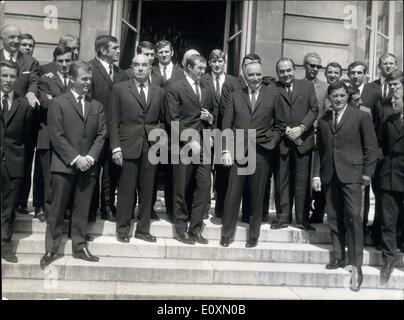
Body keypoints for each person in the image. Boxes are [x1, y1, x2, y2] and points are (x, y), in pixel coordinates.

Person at [312, 80, 378, 291]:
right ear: (329, 98)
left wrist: (367, 175)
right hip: (330, 176)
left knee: (354, 217)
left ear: (347, 96)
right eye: (334, 96)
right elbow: (319, 150)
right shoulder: (323, 120)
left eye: (341, 95)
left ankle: (356, 266)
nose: (338, 99)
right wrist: (317, 175)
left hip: (353, 175)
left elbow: (371, 149)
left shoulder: (361, 116)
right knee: (333, 218)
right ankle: (339, 256)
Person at [40, 61, 107, 270]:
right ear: (72, 79)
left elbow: (101, 134)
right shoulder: (59, 103)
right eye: (83, 79)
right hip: (64, 166)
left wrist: (91, 158)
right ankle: (52, 248)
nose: (87, 83)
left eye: (89, 79)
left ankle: (80, 247)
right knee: (57, 209)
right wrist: (76, 158)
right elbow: (56, 135)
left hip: (89, 167)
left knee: (82, 209)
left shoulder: (97, 106)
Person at [220, 61, 281, 248]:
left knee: (257, 196)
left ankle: (253, 235)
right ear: (245, 76)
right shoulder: (235, 95)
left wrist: (270, 142)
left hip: (261, 153)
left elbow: (280, 125)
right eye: (251, 75)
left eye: (258, 74)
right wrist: (225, 150)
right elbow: (226, 125)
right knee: (232, 195)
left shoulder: (272, 95)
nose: (255, 78)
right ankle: (226, 234)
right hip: (238, 151)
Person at [109, 54, 165, 243]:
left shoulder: (159, 92)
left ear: (151, 68)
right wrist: (116, 147)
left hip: (151, 147)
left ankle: (143, 229)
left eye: (145, 65)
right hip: (127, 146)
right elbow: (113, 120)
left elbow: (163, 120)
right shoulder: (119, 89)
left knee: (148, 190)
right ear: (132, 68)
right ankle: (123, 229)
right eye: (137, 65)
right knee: (126, 190)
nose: (141, 68)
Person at [165, 54, 216, 245]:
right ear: (187, 67)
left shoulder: (206, 87)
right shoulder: (174, 87)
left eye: (204, 68)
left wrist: (210, 121)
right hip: (182, 145)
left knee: (204, 187)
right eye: (199, 68)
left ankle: (196, 229)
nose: (203, 72)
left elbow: (212, 113)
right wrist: (188, 140)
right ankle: (180, 229)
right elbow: (172, 119)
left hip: (203, 145)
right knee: (181, 188)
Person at [272, 58, 318, 231]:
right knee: (281, 181)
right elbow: (270, 112)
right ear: (277, 73)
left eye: (288, 70)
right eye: (282, 71)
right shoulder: (272, 89)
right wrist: (286, 130)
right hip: (282, 142)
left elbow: (314, 109)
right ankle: (282, 218)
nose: (286, 74)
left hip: (303, 142)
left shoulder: (306, 86)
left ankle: (302, 219)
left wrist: (302, 128)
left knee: (302, 181)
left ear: (295, 70)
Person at [88, 35, 129, 222]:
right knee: (92, 171)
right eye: (114, 48)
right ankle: (90, 208)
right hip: (95, 131)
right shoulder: (89, 69)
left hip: (115, 132)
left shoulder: (121, 73)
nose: (118, 51)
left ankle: (107, 206)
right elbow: (87, 101)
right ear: (103, 50)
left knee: (112, 171)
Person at [0, 24, 40, 216]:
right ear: (2, 38)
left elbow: (33, 81)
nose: (16, 41)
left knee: (22, 161)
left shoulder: (30, 61)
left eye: (18, 37)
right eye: (11, 38)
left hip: (20, 118)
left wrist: (31, 94)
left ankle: (20, 202)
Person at [1, 60, 33, 263]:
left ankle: (5, 245)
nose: (8, 80)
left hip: (13, 161)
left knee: (8, 207)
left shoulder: (23, 104)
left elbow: (27, 136)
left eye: (12, 76)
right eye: (4, 75)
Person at [36, 46, 74, 222]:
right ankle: (48, 212)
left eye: (68, 60)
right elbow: (45, 103)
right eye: (60, 61)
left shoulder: (77, 81)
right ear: (54, 62)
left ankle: (64, 210)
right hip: (48, 137)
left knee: (65, 176)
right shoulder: (45, 80)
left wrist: (55, 100)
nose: (64, 64)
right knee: (48, 178)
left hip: (70, 137)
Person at [348, 61, 381, 235]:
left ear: (365, 74)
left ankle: (362, 227)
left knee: (364, 191)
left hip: (365, 148)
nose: (355, 76)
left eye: (359, 73)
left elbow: (377, 121)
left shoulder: (374, 93)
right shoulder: (343, 91)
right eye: (352, 72)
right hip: (347, 150)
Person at [376, 70, 404, 281]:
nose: (392, 99)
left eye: (396, 96)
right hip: (390, 174)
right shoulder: (389, 119)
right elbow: (381, 144)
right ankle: (388, 259)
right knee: (388, 220)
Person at [303, 53, 328, 225]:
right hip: (302, 135)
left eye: (318, 66)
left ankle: (318, 212)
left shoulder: (326, 87)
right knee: (303, 174)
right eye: (312, 65)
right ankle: (302, 210)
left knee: (318, 173)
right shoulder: (298, 84)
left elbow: (328, 110)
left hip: (320, 134)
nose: (315, 69)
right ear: (305, 65)